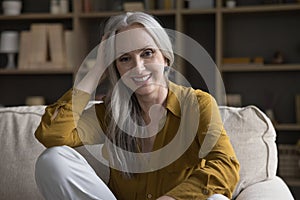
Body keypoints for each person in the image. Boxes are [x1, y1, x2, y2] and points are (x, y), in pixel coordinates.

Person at [34, 11, 239, 200]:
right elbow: (53, 134)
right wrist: (97, 70)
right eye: (125, 59)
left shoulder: (197, 104)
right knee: (52, 159)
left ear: (165, 58)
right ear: (116, 68)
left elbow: (226, 165)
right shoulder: (110, 112)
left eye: (147, 53)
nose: (138, 68)